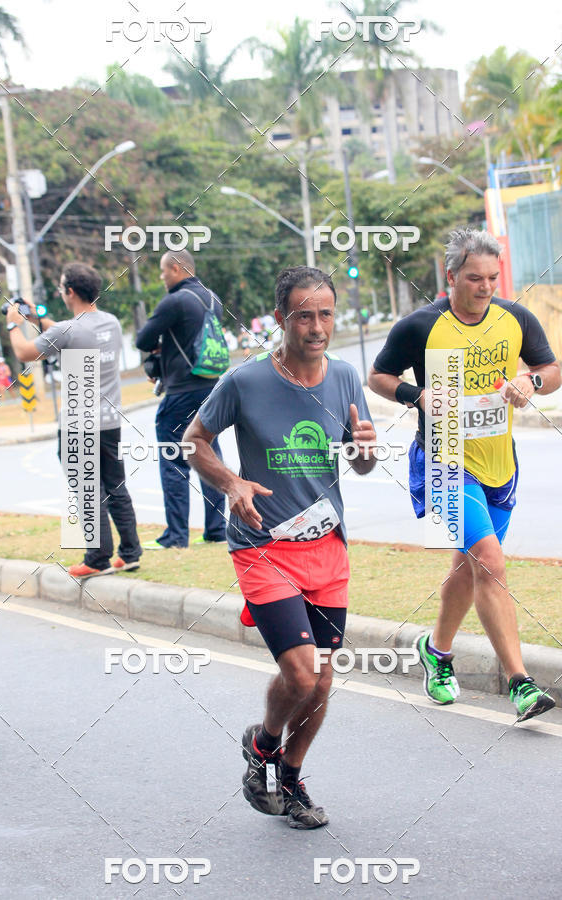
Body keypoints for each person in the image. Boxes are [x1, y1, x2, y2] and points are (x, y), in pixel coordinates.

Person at [184, 266, 377, 828]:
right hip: (262, 547)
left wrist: (366, 450)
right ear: (281, 319)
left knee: (321, 680)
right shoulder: (245, 382)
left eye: (325, 315)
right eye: (304, 316)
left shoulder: (344, 377)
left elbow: (360, 464)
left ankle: (287, 774)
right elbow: (194, 440)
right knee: (299, 674)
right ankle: (263, 745)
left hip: (327, 548)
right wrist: (231, 483)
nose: (317, 327)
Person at [368, 227, 561, 722]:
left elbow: (550, 368)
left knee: (468, 567)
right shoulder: (420, 326)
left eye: (493, 277)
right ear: (451, 277)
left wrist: (530, 381)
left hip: (500, 463)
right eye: (475, 278)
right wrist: (418, 396)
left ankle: (436, 651)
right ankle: (520, 683)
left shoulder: (514, 318)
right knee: (492, 565)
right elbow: (379, 376)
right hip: (443, 460)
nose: (486, 286)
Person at [7, 263, 142, 578]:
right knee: (116, 487)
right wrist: (38, 320)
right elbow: (71, 335)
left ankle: (97, 559)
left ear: (69, 292)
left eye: (60, 287)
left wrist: (15, 324)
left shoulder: (68, 330)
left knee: (87, 492)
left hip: (78, 428)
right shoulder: (110, 323)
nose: (59, 291)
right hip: (109, 422)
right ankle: (131, 552)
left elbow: (26, 353)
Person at [135, 249, 226, 549]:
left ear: (175, 269)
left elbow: (143, 340)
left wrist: (159, 350)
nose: (162, 278)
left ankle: (176, 536)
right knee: (209, 456)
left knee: (174, 461)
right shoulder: (212, 298)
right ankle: (216, 530)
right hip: (211, 389)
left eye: (163, 272)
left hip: (181, 392)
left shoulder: (175, 300)